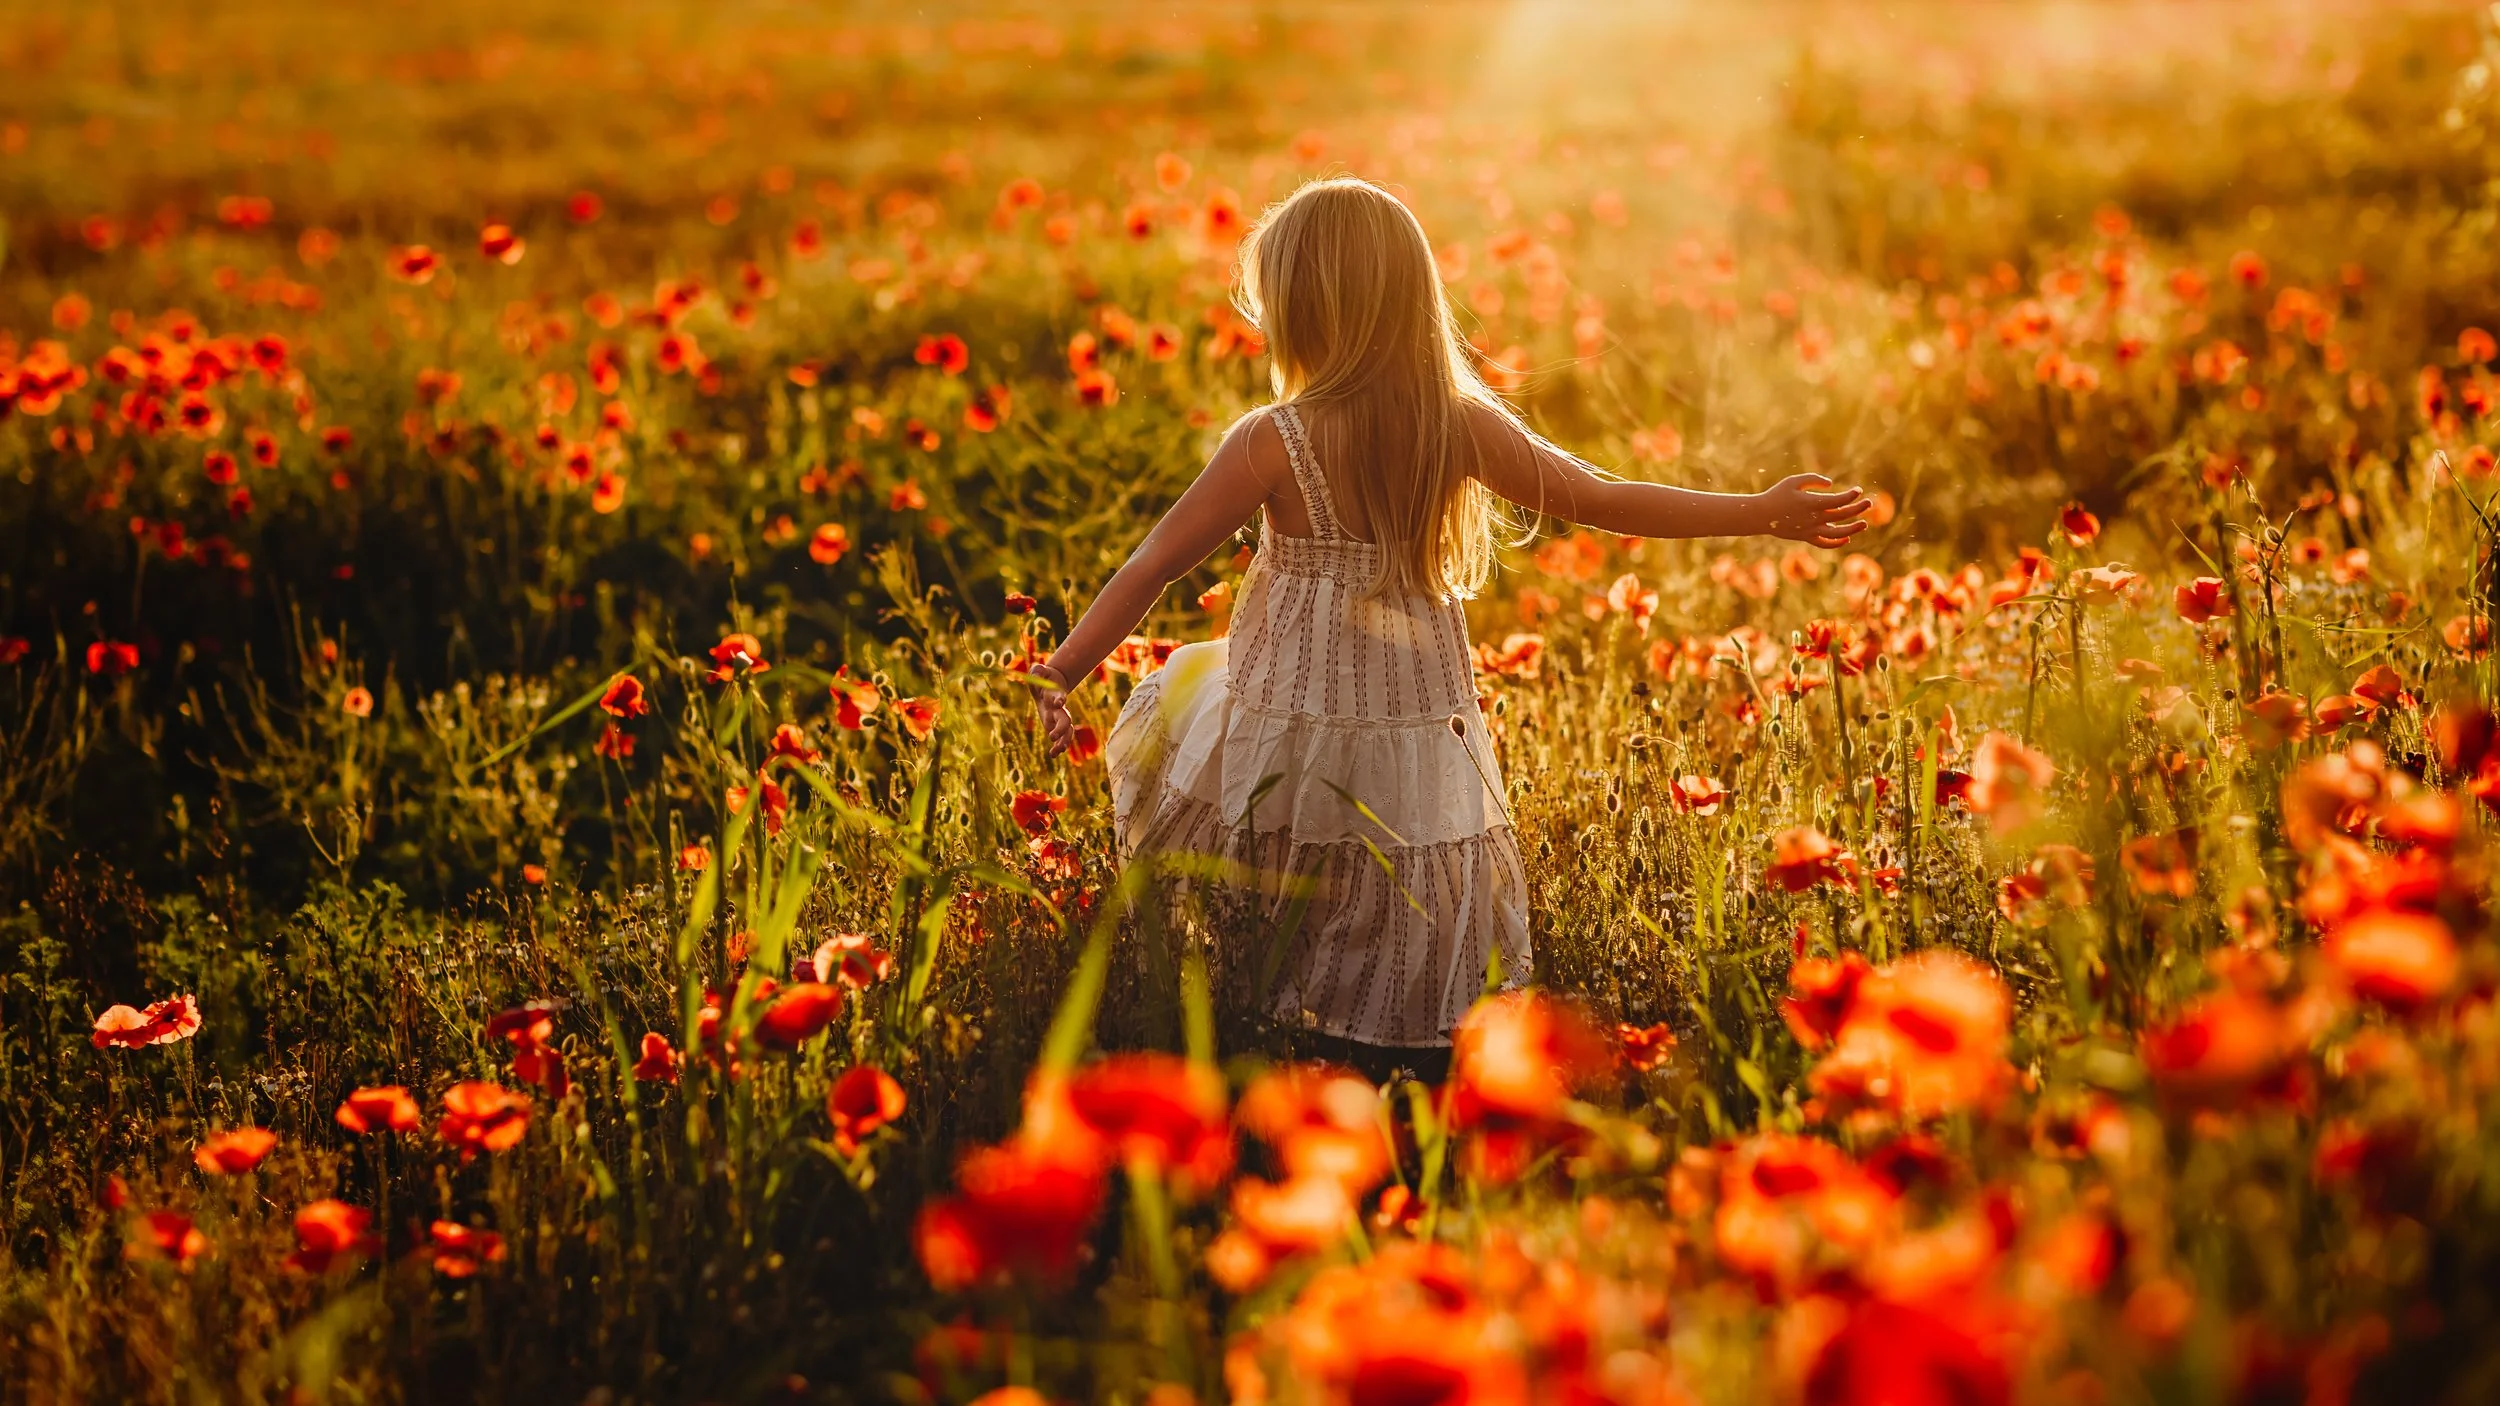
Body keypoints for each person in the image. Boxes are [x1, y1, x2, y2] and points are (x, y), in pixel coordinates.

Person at [1028, 176, 1868, 1082]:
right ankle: (1389, 1053)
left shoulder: (1273, 440)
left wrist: (1062, 670)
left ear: (1307, 310)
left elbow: (1155, 561)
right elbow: (1607, 499)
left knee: (1284, 865)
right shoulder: (1455, 426)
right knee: (1395, 882)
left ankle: (1289, 1046)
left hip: (1293, 716)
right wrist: (1757, 511)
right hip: (1410, 726)